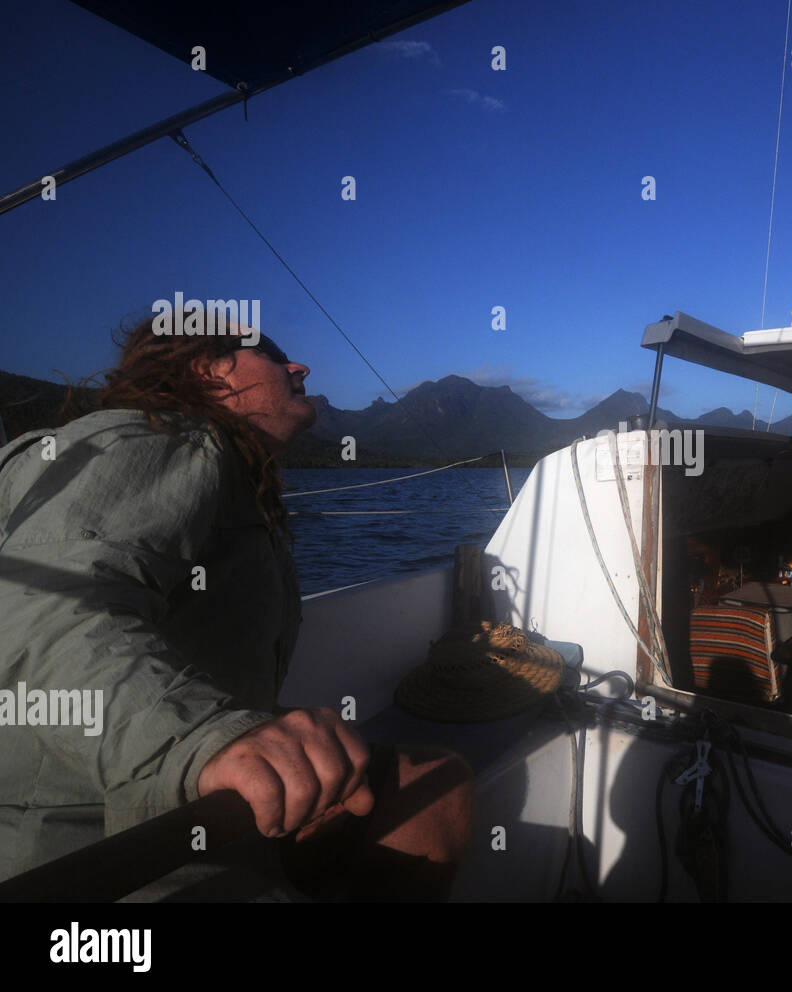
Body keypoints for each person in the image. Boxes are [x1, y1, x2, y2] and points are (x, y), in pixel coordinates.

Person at [0, 313, 472, 899]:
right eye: (270, 352)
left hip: (185, 807)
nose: (299, 366)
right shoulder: (157, 442)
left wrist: (259, 734)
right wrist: (203, 740)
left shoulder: (219, 468)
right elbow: (40, 610)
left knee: (435, 786)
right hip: (94, 847)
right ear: (209, 371)